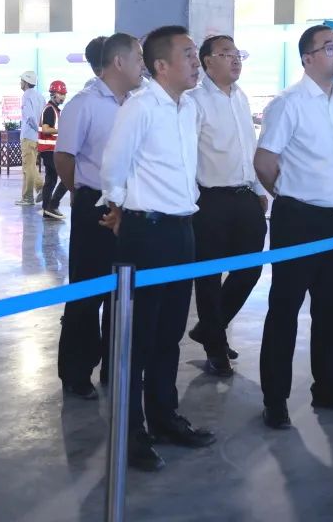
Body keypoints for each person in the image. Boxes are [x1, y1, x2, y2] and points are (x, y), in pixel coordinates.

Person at [100, 25, 214, 471]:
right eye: (188, 54)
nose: (196, 62)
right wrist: (121, 208)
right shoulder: (141, 107)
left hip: (182, 230)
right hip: (146, 232)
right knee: (138, 339)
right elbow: (113, 167)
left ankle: (165, 417)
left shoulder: (188, 108)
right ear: (161, 65)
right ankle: (130, 433)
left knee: (169, 334)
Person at [254, 24, 333, 430]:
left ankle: (328, 387)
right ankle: (275, 399)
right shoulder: (289, 104)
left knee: (332, 310)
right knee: (284, 310)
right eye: (329, 47)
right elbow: (265, 162)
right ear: (307, 58)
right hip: (299, 220)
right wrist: (290, 197)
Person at [56, 33, 144, 401]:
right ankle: (76, 372)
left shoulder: (137, 103)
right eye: (139, 59)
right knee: (88, 290)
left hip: (132, 205)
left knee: (123, 293)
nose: (144, 67)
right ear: (118, 62)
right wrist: (81, 194)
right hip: (96, 205)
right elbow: (64, 157)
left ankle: (114, 366)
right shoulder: (84, 104)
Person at [186, 34, 268, 377]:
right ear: (207, 62)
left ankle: (210, 328)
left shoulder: (240, 96)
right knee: (208, 276)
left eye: (237, 55)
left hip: (246, 196)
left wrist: (259, 187)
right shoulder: (194, 101)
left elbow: (250, 145)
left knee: (250, 268)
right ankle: (215, 347)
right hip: (210, 200)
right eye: (226, 54)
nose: (235, 60)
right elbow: (187, 155)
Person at [39, 79, 68, 220]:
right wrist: (62, 130)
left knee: (50, 180)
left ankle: (47, 209)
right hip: (49, 150)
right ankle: (53, 205)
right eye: (60, 94)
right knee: (68, 177)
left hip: (50, 150)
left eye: (64, 94)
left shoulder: (55, 110)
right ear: (53, 94)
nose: (63, 97)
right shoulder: (50, 109)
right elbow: (45, 129)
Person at [17, 70, 45, 206]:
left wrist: (36, 129)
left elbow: (30, 117)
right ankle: (41, 188)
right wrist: (40, 131)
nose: (20, 83)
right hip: (37, 138)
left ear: (26, 82)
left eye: (22, 81)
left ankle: (28, 197)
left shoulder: (26, 96)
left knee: (27, 167)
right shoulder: (40, 97)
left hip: (29, 136)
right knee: (31, 166)